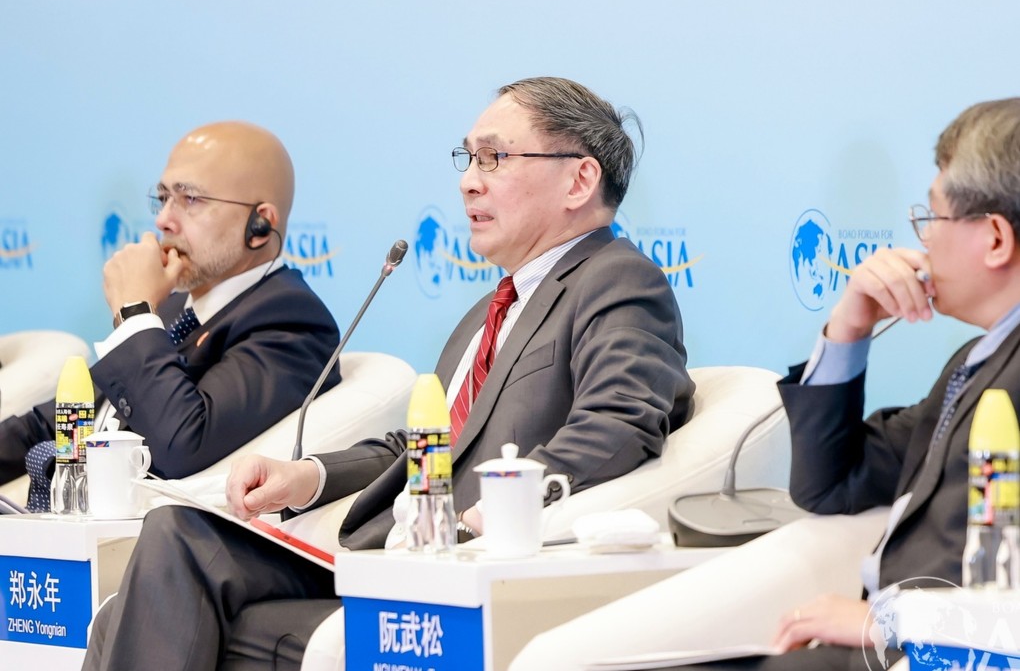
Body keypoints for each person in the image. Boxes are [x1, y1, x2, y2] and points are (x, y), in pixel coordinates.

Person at [82, 76, 695, 670]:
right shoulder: (489, 309)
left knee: (167, 571)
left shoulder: (617, 280)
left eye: (494, 159)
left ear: (579, 179)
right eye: (468, 158)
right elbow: (424, 446)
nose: (467, 183)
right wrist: (310, 477)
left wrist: (507, 502)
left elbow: (620, 421)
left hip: (464, 562)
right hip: (387, 545)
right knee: (178, 538)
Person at [513, 97, 1020, 671]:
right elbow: (831, 485)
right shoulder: (977, 360)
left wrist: (892, 619)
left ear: (996, 239)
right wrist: (847, 330)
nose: (920, 243)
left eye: (931, 220)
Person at [0, 121, 341, 503]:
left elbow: (182, 444)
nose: (163, 220)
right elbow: (59, 423)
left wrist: (134, 314)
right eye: (163, 198)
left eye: (190, 199)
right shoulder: (174, 309)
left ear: (259, 225)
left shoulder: (292, 322)